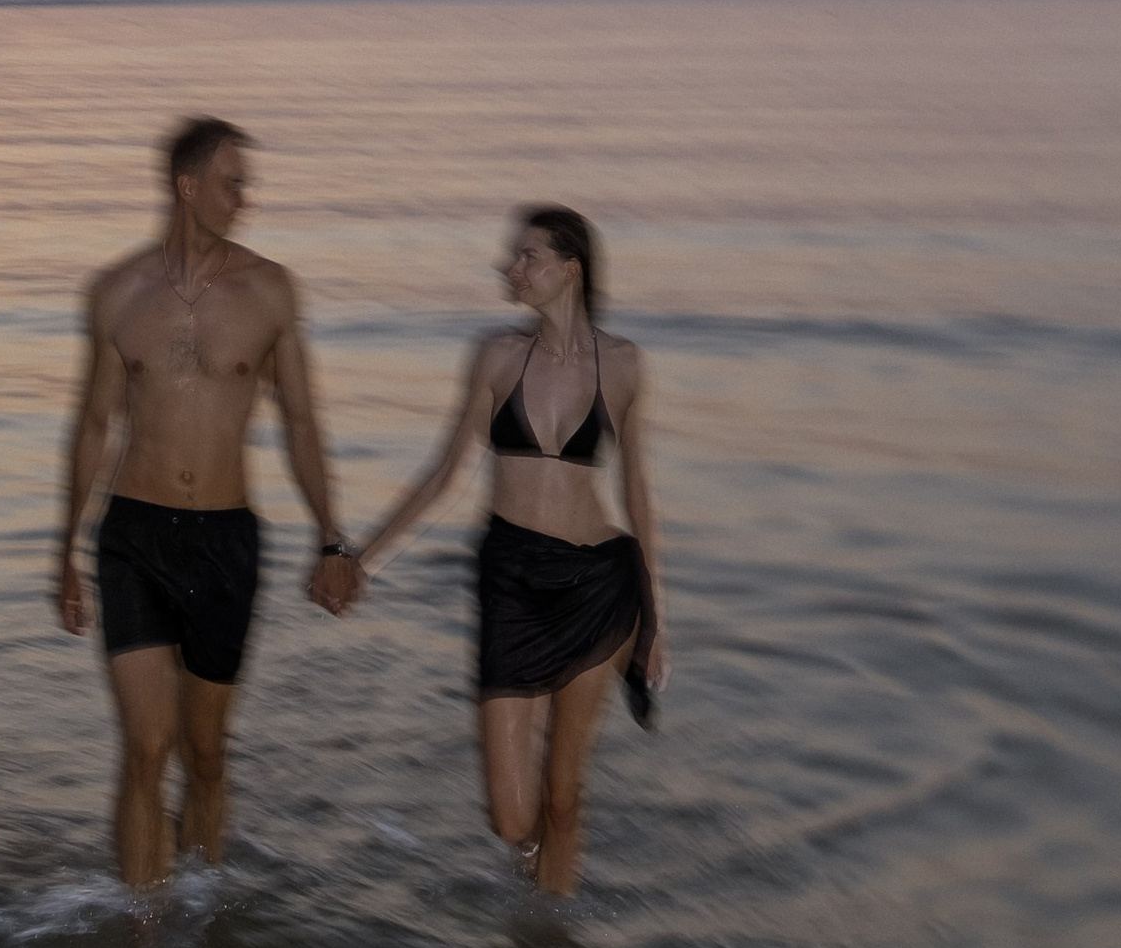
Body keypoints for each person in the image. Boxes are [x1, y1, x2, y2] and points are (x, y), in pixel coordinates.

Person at [54, 118, 362, 887]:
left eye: (246, 183)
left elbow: (300, 419)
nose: (245, 197)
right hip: (134, 534)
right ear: (187, 189)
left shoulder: (269, 290)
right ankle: (146, 938)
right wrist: (63, 552)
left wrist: (332, 538)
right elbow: (93, 424)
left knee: (206, 752)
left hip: (226, 538)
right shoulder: (117, 293)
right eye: (232, 183)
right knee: (145, 747)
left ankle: (202, 906)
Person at [352, 206, 665, 895]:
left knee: (562, 796)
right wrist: (361, 557)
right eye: (512, 258)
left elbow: (638, 492)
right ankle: (534, 882)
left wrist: (656, 621)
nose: (511, 269)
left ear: (570, 269)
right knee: (510, 814)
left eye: (528, 257)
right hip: (512, 586)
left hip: (598, 586)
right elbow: (442, 473)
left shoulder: (622, 365)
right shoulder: (494, 356)